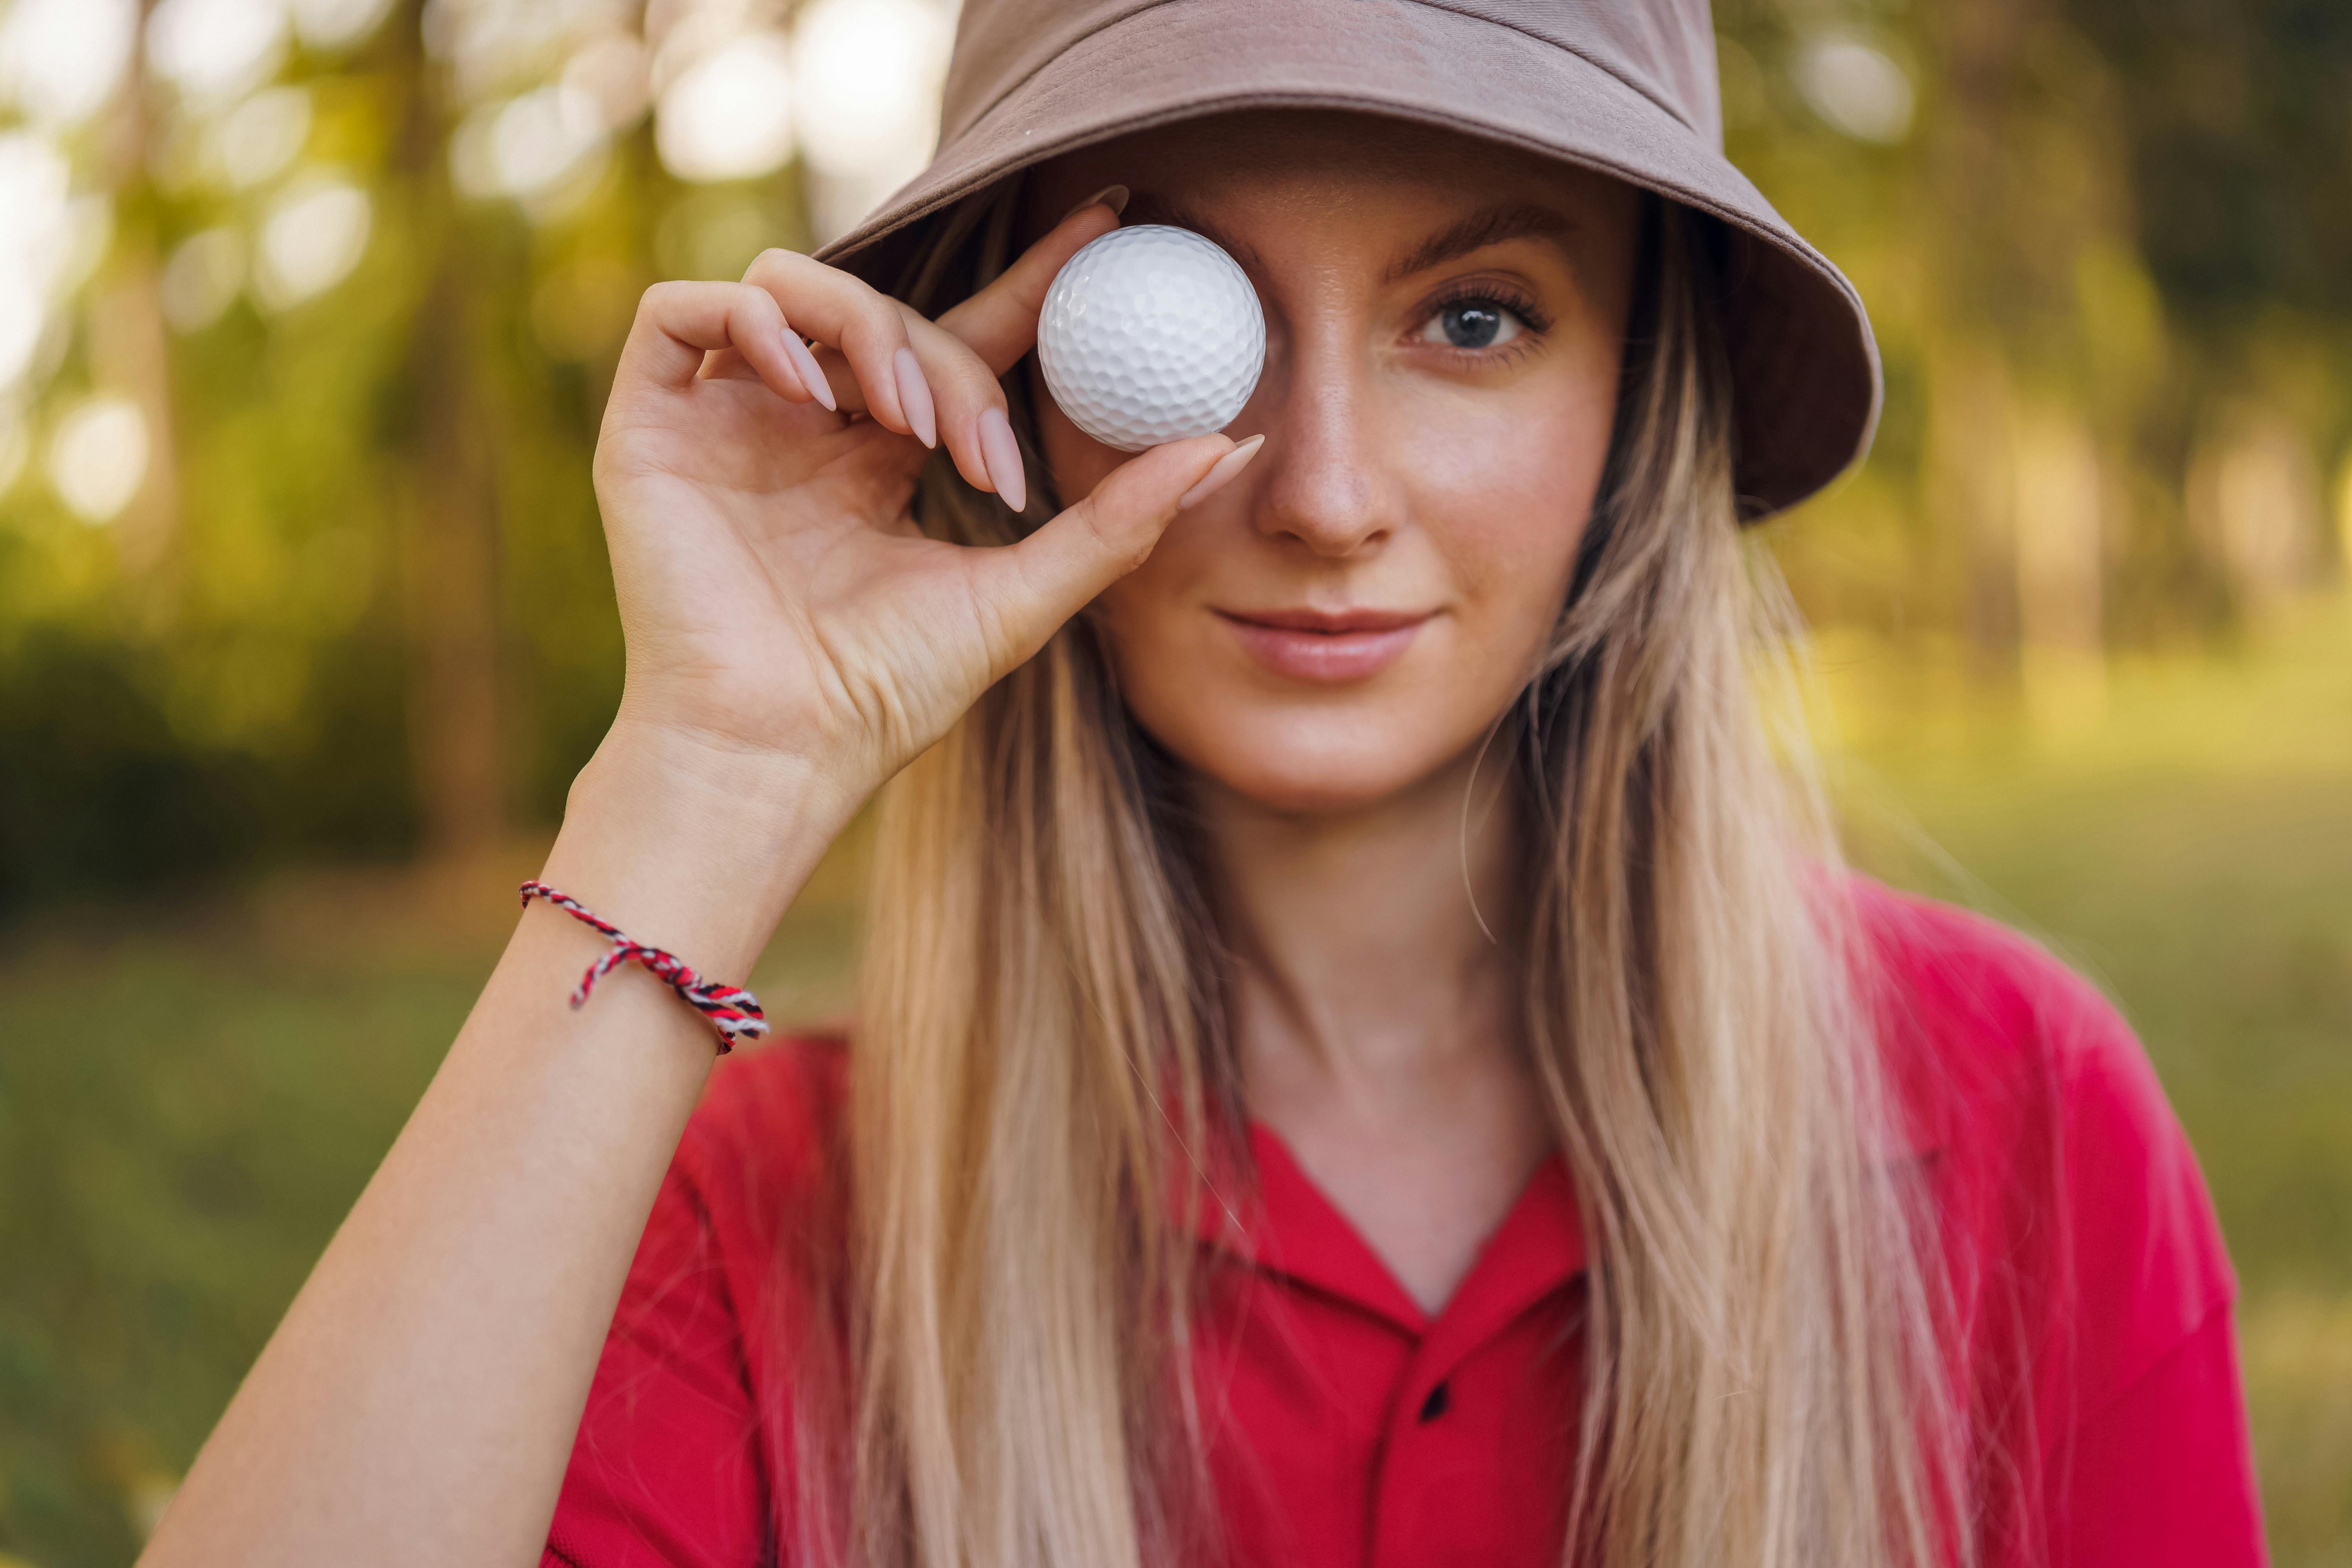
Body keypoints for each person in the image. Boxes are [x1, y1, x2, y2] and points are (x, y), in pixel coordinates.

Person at [141, 3, 2267, 1566]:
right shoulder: (768, 1213)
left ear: (1638, 399)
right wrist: (702, 772)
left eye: (1475, 316)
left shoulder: (2009, 1123)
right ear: (1017, 389)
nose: (1329, 497)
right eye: (1199, 316)